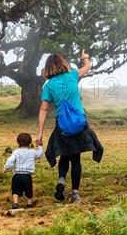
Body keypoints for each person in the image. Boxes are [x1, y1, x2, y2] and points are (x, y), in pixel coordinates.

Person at [36, 50, 103, 204]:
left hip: (62, 125)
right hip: (79, 124)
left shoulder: (49, 86)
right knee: (76, 159)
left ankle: (61, 179)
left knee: (65, 155)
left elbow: (43, 110)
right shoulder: (73, 75)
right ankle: (75, 194)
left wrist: (39, 133)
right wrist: (85, 58)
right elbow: (87, 67)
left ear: (48, 68)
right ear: (63, 64)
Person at [2, 132, 43, 209]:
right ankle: (29, 204)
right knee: (28, 190)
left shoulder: (16, 152)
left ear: (18, 144)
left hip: (17, 175)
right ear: (30, 144)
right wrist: (39, 146)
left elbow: (10, 161)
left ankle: (15, 203)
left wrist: (5, 168)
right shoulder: (32, 152)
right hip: (27, 176)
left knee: (15, 190)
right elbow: (39, 154)